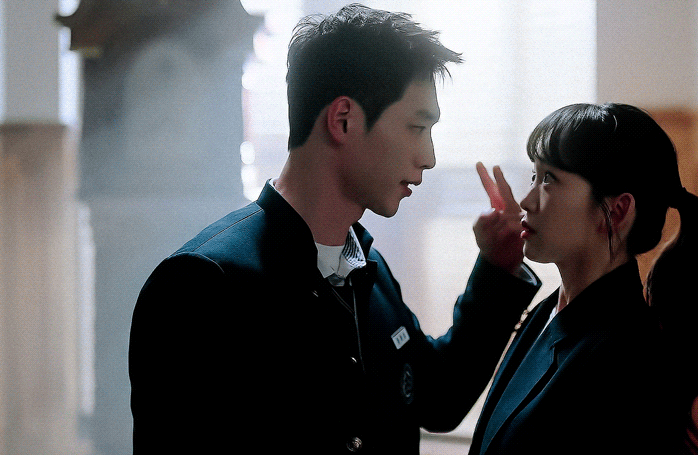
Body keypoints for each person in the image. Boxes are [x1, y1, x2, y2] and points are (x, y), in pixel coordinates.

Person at [128, 4, 540, 453]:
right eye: (417, 127)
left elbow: (438, 398)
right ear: (343, 119)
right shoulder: (204, 285)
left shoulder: (367, 268)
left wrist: (498, 270)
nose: (429, 157)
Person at [468, 103, 698, 454]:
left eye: (549, 179)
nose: (527, 201)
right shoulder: (550, 312)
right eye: (534, 176)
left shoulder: (626, 360)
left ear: (616, 211)